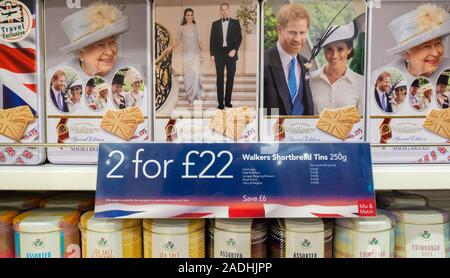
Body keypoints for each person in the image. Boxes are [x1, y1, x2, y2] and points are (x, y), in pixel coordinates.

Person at [53, 2, 141, 82]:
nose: (109, 52)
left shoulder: (134, 71)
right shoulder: (58, 77)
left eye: (112, 42)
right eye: (100, 44)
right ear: (80, 52)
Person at [263, 3, 314, 116]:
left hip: (303, 131)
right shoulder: (262, 62)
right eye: (292, 32)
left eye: (302, 33)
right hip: (271, 131)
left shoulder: (305, 62)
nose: (298, 39)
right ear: (279, 29)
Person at [382, 4, 450, 83]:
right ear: (406, 53)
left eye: (438, 43)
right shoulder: (384, 77)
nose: (435, 53)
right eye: (426, 46)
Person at [309, 20, 364, 115]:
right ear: (324, 51)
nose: (334, 55)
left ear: (349, 50)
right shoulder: (310, 80)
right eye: (329, 49)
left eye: (340, 49)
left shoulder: (361, 83)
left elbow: (363, 123)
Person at [166, 8, 204, 106]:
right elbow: (177, 41)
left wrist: (202, 53)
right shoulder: (181, 27)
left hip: (195, 55)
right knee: (188, 77)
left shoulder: (196, 27)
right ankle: (190, 98)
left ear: (193, 16)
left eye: (191, 15)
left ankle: (196, 98)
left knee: (196, 76)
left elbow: (199, 41)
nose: (190, 17)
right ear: (185, 16)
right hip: (186, 56)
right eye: (188, 15)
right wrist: (170, 47)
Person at [210, 2, 242, 110]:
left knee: (230, 78)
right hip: (219, 54)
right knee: (219, 79)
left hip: (231, 54)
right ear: (220, 11)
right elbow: (212, 40)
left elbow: (240, 38)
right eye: (222, 9)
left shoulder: (235, 22)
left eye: (226, 9)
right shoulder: (215, 24)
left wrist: (235, 50)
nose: (224, 11)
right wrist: (212, 55)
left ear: (229, 10)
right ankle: (220, 103)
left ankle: (228, 102)